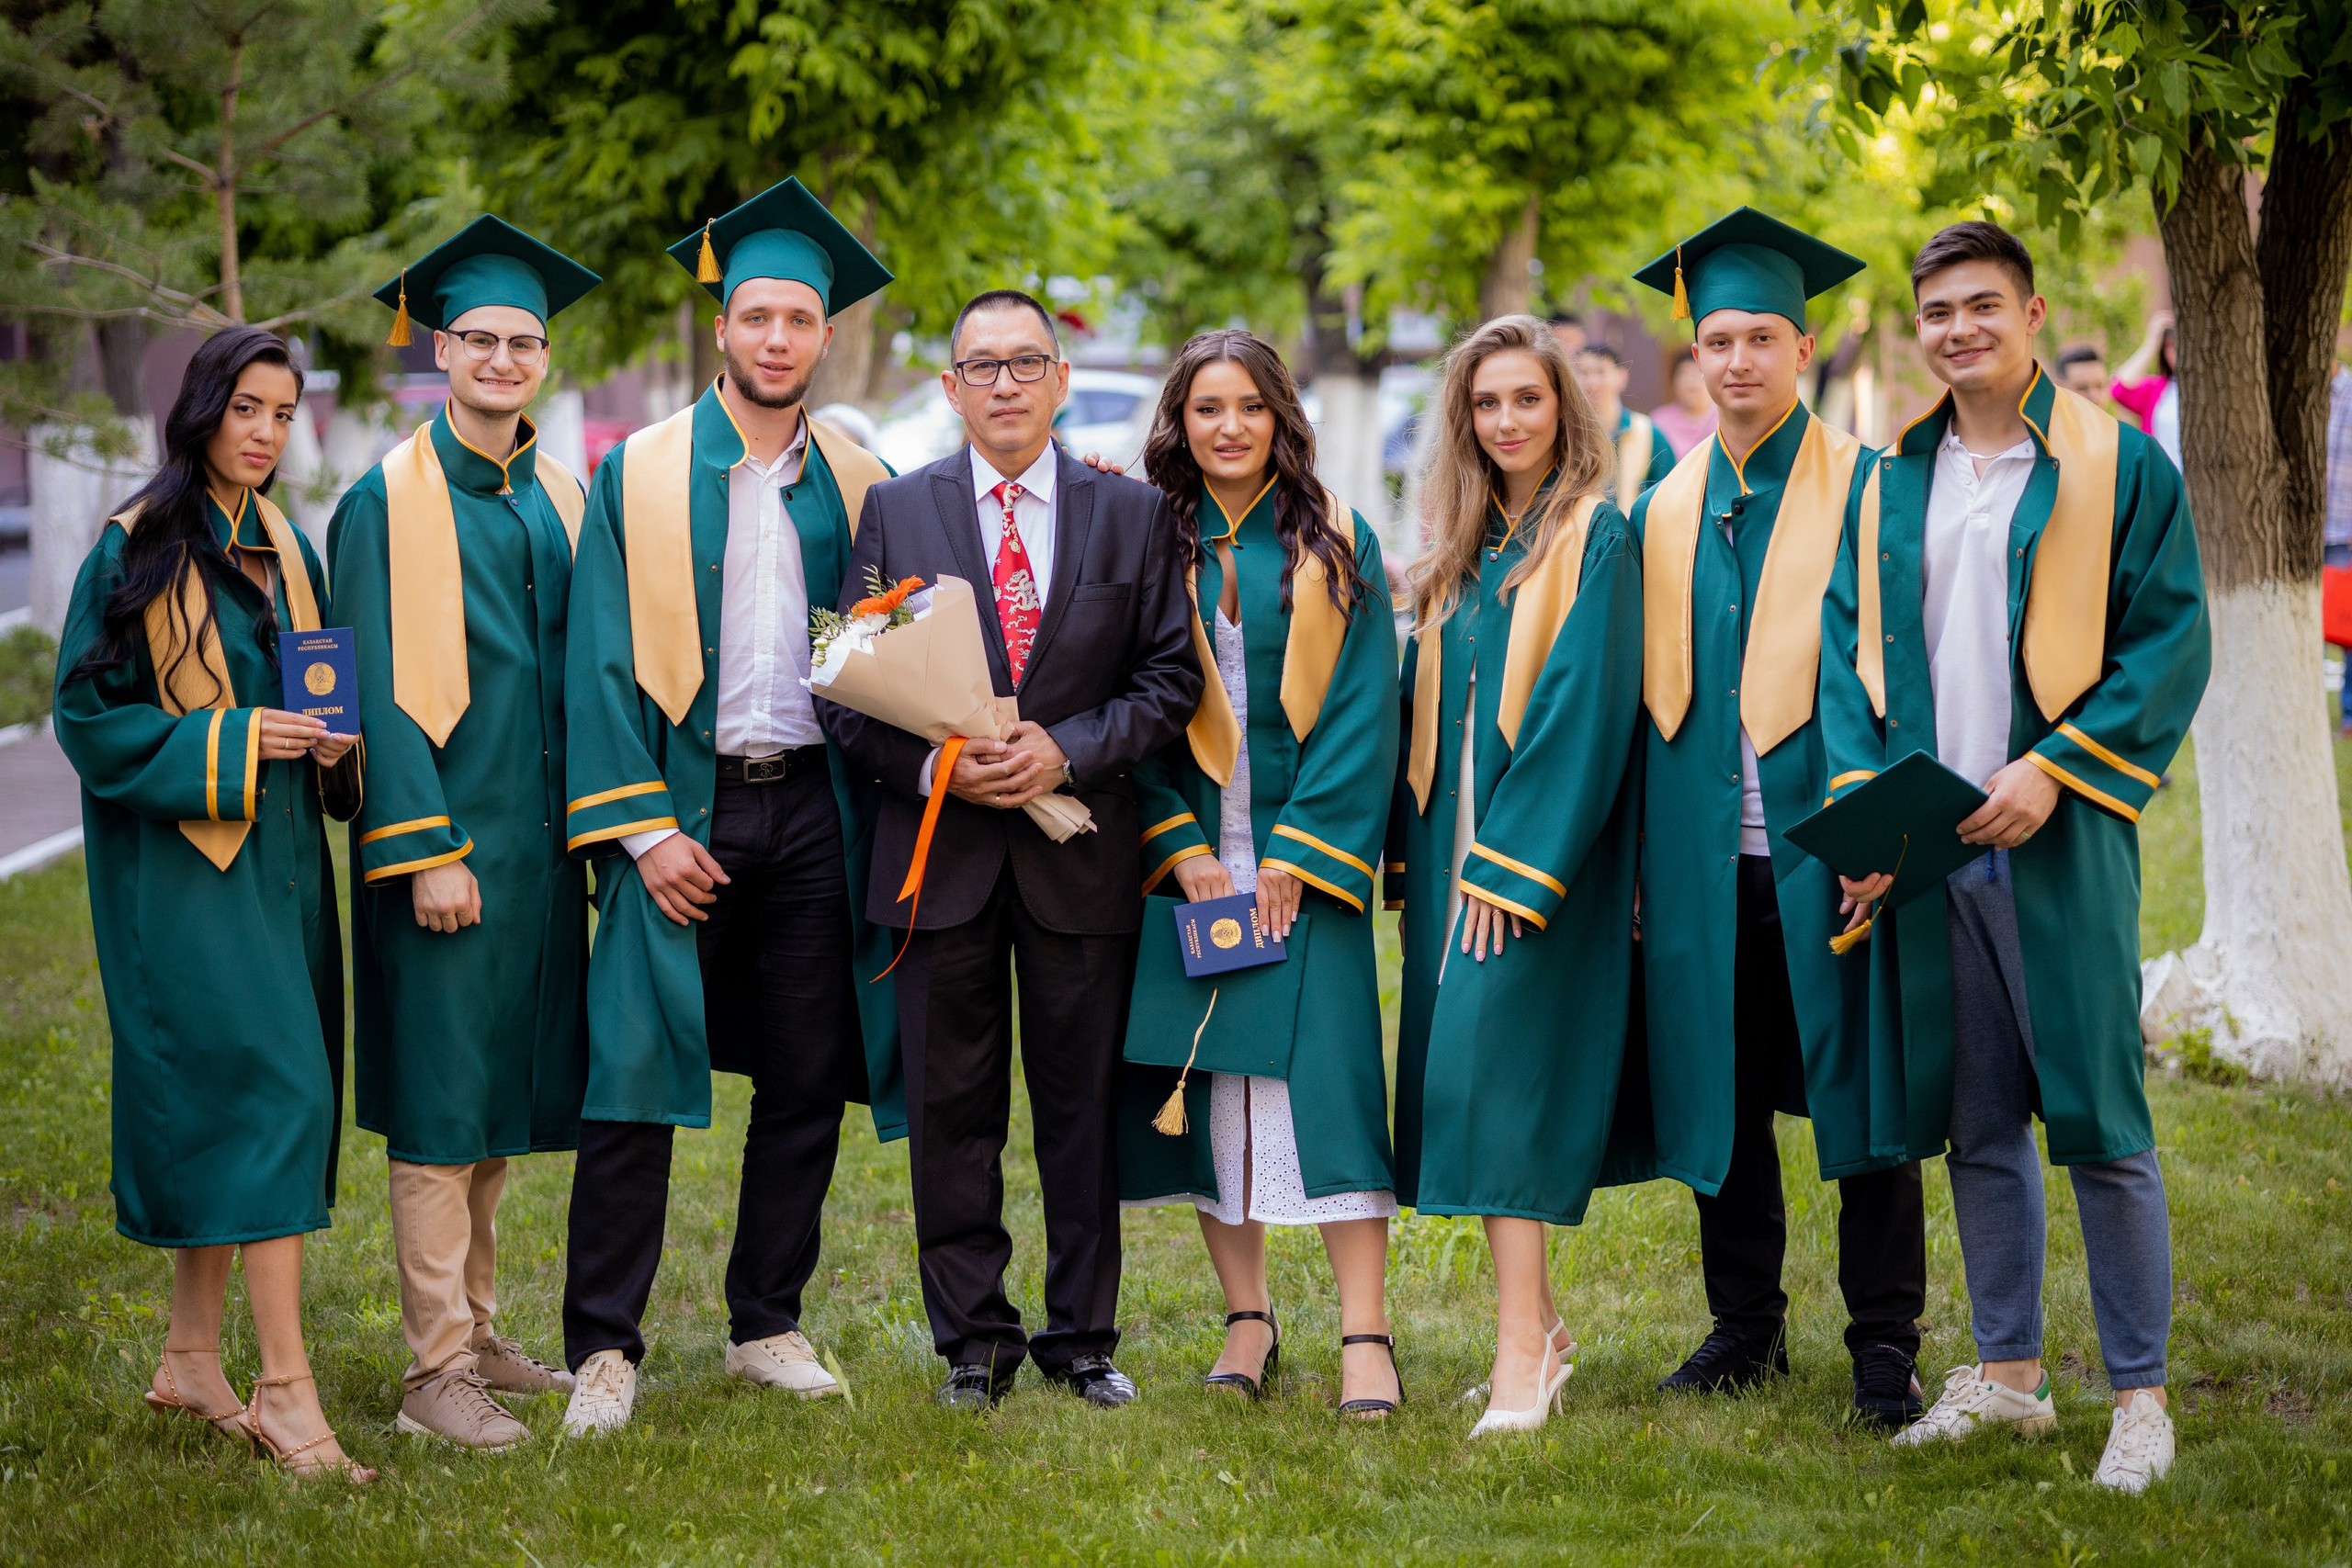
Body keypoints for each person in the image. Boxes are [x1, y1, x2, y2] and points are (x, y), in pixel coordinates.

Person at [1820, 221, 2211, 1494]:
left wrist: (2056, 766)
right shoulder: (1891, 480)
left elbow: (2169, 639)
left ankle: (2140, 1397)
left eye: (1983, 305)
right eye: (1938, 312)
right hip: (1936, 843)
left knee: (2100, 1117)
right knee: (1977, 1119)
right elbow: (1849, 660)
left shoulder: (2116, 463)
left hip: (2061, 831)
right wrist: (1872, 826)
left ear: (2035, 314)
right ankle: (2010, 1376)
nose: (1960, 330)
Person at [557, 178, 901, 1434]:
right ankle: (603, 1343)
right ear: (721, 329)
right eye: (754, 314)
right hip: (679, 806)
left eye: (797, 319)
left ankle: (767, 1317)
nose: (773, 338)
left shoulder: (865, 477)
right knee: (633, 1072)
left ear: (824, 335)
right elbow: (595, 662)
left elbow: (900, 646)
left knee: (809, 1069)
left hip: (812, 804)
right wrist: (645, 832)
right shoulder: (638, 471)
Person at [818, 288, 1202, 1411]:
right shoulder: (897, 513)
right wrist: (940, 767)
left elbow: (1168, 679)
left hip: (1079, 857)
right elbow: (843, 686)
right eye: (980, 367)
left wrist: (1065, 752)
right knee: (953, 1113)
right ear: (949, 388)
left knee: (1080, 1108)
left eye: (1025, 363)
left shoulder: (1130, 517)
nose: (1004, 385)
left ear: (1060, 378)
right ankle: (972, 1344)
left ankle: (1083, 1339)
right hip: (943, 861)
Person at [1624, 208, 1930, 1427]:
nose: (1738, 359)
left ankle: (1883, 1348)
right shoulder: (1658, 509)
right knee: (1725, 1091)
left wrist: (1887, 842)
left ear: (1805, 349)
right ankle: (1745, 1323)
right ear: (1694, 355)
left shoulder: (1868, 489)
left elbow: (1905, 682)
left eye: (1761, 336)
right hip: (1706, 864)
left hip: (1833, 858)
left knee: (1865, 1105)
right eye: (1716, 339)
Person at [53, 325, 368, 1480]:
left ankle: (192, 1359)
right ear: (202, 411)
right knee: (276, 1095)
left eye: (285, 414)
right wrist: (239, 738)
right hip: (186, 876)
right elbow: (89, 724)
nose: (267, 433)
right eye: (248, 408)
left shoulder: (285, 545)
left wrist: (334, 742)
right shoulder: (134, 552)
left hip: (280, 867)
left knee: (257, 1098)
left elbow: (317, 692)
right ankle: (286, 1392)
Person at [325, 219, 601, 1450]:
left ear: (543, 356)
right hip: (443, 841)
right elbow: (367, 680)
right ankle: (433, 1369)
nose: (500, 357)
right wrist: (426, 845)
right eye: (477, 338)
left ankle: (480, 1328)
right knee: (444, 1109)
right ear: (440, 347)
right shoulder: (384, 497)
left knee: (498, 1100)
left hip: (539, 850)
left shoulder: (556, 486)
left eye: (521, 340)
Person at [1115, 330, 1403, 1416]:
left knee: (1325, 1091)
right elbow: (1136, 710)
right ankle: (1247, 1320)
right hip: (1195, 866)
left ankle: (1364, 1334)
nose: (1228, 427)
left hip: (1300, 867)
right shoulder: (1148, 540)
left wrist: (1300, 848)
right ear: (1178, 424)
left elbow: (1367, 706)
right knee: (1213, 1091)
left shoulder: (1336, 545)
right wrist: (1179, 849)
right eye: (1205, 409)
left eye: (1248, 406)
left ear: (1282, 418)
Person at [1388, 314, 1647, 1438]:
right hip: (1452, 855)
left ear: (1562, 410)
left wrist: (1516, 863)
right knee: (1466, 1082)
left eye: (1526, 400)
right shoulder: (1467, 545)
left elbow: (1586, 708)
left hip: (1526, 861)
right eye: (1486, 403)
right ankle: (1541, 1328)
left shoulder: (1595, 535)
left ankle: (1517, 1358)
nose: (1505, 421)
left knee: (1497, 1092)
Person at [1574, 344, 1677, 505]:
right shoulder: (1567, 434)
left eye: (1601, 372)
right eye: (1583, 373)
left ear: (1621, 378)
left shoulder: (1649, 433)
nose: (1592, 381)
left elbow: (1670, 495)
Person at [2109, 310, 2180, 468]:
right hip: (2163, 483)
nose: (2178, 352)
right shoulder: (2158, 390)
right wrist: (2151, 343)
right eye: (2172, 346)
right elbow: (2119, 389)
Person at [1649, 355, 1717, 459]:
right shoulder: (1658, 421)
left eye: (1698, 373)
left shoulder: (1725, 418)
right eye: (1685, 374)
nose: (1692, 381)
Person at [2055, 344, 2112, 412]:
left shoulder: (2118, 423)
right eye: (2082, 388)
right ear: (2058, 390)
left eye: (2100, 386)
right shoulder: (2049, 423)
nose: (2094, 397)